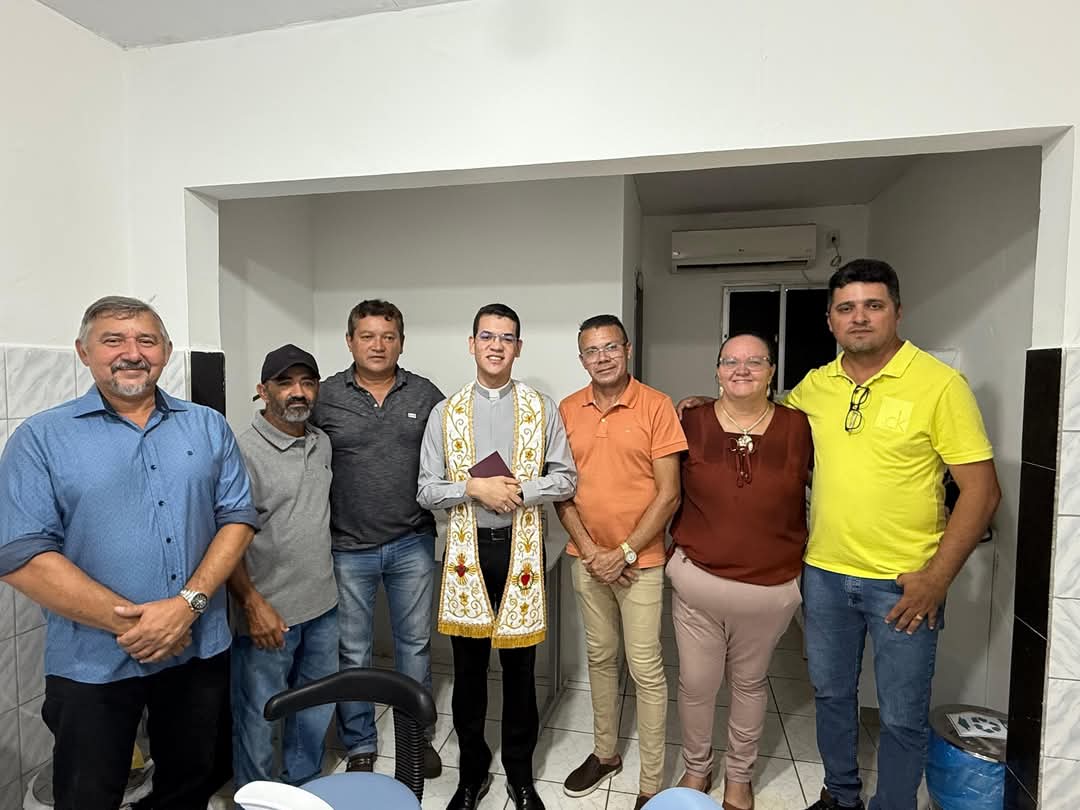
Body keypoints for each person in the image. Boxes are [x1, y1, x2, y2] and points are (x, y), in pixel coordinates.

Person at [678, 259, 1001, 810]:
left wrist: (937, 578)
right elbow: (758, 417)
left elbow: (983, 491)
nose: (859, 317)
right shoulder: (817, 387)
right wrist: (707, 406)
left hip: (904, 581)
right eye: (846, 308)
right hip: (825, 573)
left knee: (900, 714)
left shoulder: (940, 385)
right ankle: (841, 796)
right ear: (829, 319)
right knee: (831, 696)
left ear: (897, 311)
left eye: (873, 305)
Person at [0, 296, 258, 810]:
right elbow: (22, 556)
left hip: (197, 650)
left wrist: (186, 608)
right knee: (88, 795)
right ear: (84, 352)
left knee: (188, 786)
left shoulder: (207, 426)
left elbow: (236, 518)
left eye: (146, 340)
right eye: (113, 340)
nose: (132, 353)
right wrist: (141, 625)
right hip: (92, 663)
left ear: (166, 350)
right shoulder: (40, 439)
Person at [417, 303, 577, 810]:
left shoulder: (540, 408)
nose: (496, 346)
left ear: (518, 348)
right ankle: (471, 775)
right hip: (466, 555)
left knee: (520, 674)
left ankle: (520, 775)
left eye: (506, 338)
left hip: (520, 552)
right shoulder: (446, 413)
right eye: (487, 336)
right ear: (472, 344)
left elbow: (566, 478)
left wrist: (521, 490)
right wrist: (472, 488)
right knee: (468, 677)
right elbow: (426, 489)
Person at [669, 332, 809, 810]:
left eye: (755, 361)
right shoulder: (690, 421)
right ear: (717, 371)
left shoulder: (800, 427)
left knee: (749, 685)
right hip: (698, 584)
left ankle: (739, 776)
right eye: (731, 361)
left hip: (768, 591)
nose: (742, 369)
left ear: (772, 371)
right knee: (696, 684)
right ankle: (696, 767)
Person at [556, 315, 686, 810]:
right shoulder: (568, 409)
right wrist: (593, 552)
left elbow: (669, 494)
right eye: (592, 351)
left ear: (627, 349)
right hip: (587, 560)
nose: (602, 357)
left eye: (610, 347)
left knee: (645, 667)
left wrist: (625, 551)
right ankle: (605, 754)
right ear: (581, 358)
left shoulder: (656, 405)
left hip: (641, 563)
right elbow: (561, 489)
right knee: (600, 658)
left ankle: (651, 784)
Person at [310, 299, 445, 776]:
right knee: (353, 651)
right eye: (367, 336)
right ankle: (360, 743)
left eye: (388, 337)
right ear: (350, 342)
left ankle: (415, 739)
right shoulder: (325, 396)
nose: (378, 345)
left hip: (412, 541)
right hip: (348, 547)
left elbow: (456, 448)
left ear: (401, 343)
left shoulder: (425, 394)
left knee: (415, 646)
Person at [230, 344, 339, 787]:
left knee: (313, 710)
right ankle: (254, 796)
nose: (298, 392)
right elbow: (225, 542)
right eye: (285, 382)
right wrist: (252, 605)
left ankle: (302, 786)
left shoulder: (320, 442)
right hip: (269, 614)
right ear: (263, 391)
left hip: (323, 605)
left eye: (307, 382)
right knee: (259, 716)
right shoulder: (242, 452)